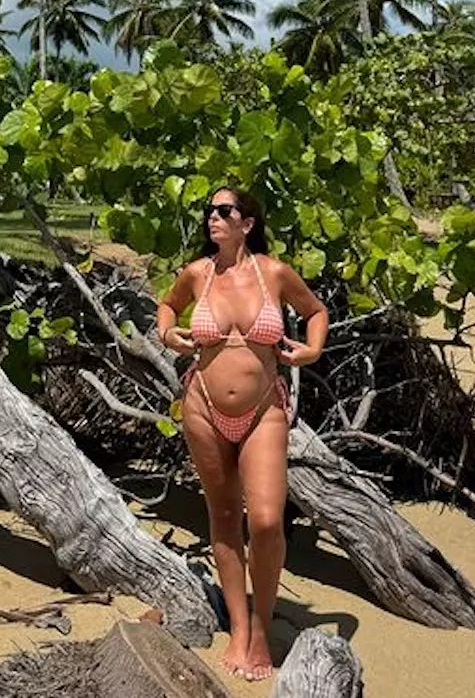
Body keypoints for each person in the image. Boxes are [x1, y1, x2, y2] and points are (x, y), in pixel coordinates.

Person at [156, 187, 328, 681]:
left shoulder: (273, 272)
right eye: (209, 210)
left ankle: (260, 625)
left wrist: (312, 351)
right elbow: (166, 308)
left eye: (224, 211)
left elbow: (316, 312)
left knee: (269, 520)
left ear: (247, 223)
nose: (213, 217)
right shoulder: (197, 272)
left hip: (264, 410)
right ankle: (238, 628)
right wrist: (169, 334)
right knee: (225, 515)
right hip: (202, 407)